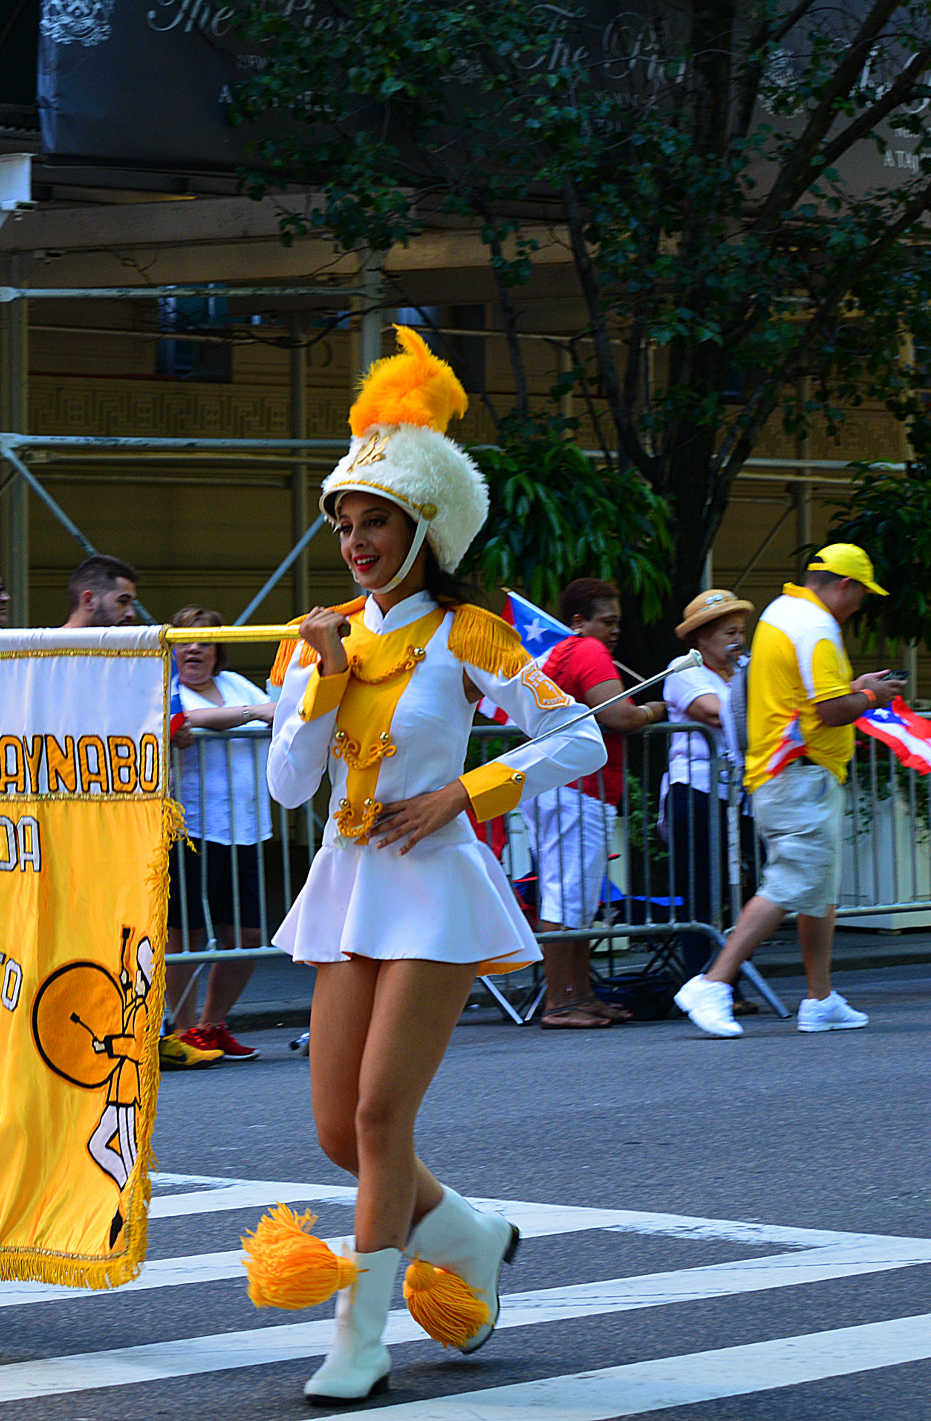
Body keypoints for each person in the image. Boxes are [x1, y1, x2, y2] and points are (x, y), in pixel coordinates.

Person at [241, 328, 606, 1403]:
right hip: (348, 879)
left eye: (375, 522)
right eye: (344, 523)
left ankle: (359, 1335)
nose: (355, 541)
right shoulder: (315, 639)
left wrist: (468, 789)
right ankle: (469, 1231)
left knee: (376, 1120)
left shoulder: (467, 633)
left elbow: (577, 735)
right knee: (329, 1130)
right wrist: (316, 677)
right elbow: (286, 789)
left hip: (435, 885)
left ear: (421, 528)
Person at [673, 545, 904, 1038]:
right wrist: (870, 696)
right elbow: (830, 712)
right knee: (789, 884)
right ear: (845, 585)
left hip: (788, 773)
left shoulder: (784, 611)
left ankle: (820, 999)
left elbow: (811, 695)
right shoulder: (818, 627)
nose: (862, 604)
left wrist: (854, 686)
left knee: (817, 893)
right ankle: (712, 982)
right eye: (862, 592)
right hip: (800, 773)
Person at [521, 578, 667, 1028]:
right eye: (608, 621)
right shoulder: (586, 650)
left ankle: (579, 996)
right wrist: (655, 712)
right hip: (578, 792)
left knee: (576, 902)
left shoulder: (567, 653)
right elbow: (616, 714)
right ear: (580, 622)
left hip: (569, 790)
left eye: (617, 622)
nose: (615, 630)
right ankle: (560, 1004)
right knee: (567, 902)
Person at [164, 605, 276, 1063]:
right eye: (184, 641)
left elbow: (283, 712)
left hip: (245, 828)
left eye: (204, 641)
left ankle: (212, 1026)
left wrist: (247, 710)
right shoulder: (166, 692)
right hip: (188, 828)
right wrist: (250, 712)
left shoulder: (233, 685)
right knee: (184, 935)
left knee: (247, 934)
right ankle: (184, 1031)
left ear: (217, 652)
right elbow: (181, 724)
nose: (194, 649)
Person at [658, 589, 753, 979]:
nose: (738, 641)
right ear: (701, 637)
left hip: (740, 795)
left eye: (740, 632)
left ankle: (730, 978)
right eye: (728, 632)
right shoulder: (685, 669)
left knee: (750, 884)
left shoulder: (744, 672)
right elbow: (715, 714)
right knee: (702, 892)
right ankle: (704, 980)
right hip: (695, 794)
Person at [62, 553, 140, 628]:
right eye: (123, 601)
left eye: (131, 603)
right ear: (88, 600)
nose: (132, 614)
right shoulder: (51, 640)